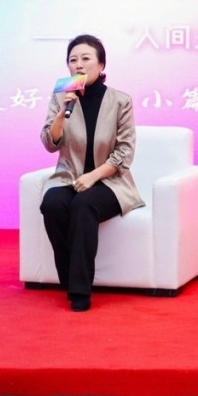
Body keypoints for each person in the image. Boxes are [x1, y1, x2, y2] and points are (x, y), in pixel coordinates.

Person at [38, 34, 144, 312]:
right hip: (69, 177)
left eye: (86, 58)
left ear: (101, 65)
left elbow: (124, 152)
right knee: (52, 203)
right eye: (73, 60)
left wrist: (93, 176)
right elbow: (50, 143)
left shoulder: (120, 100)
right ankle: (69, 278)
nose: (79, 64)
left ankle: (79, 291)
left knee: (84, 204)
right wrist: (62, 112)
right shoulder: (62, 95)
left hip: (109, 181)